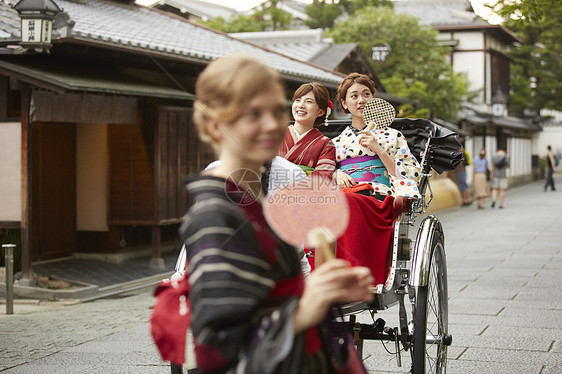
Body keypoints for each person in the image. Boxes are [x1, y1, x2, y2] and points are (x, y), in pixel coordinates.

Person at [172, 55, 373, 373]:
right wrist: (308, 307)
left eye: (275, 111)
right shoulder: (213, 215)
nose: (272, 124)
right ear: (215, 124)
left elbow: (301, 260)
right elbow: (219, 344)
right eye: (253, 114)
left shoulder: (286, 175)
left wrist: (325, 288)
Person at [332, 73, 421, 200]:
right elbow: (323, 175)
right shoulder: (334, 143)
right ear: (344, 103)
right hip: (345, 198)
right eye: (354, 96)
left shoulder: (393, 136)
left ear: (373, 98)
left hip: (380, 198)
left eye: (366, 94)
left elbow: (410, 175)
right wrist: (336, 174)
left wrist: (379, 150)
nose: (361, 100)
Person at [279, 82, 336, 180]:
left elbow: (321, 180)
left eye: (309, 101)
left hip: (306, 191)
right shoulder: (275, 135)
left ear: (320, 111)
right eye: (297, 100)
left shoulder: (326, 145)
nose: (300, 105)